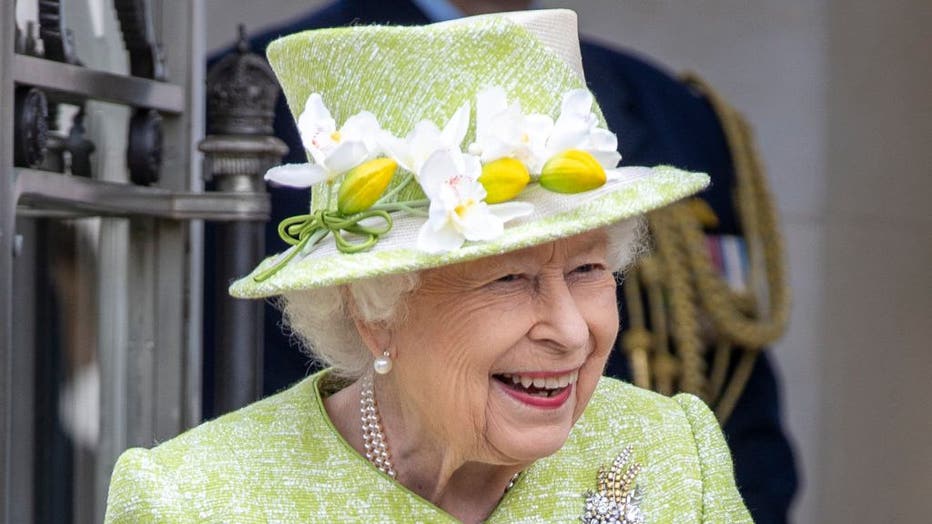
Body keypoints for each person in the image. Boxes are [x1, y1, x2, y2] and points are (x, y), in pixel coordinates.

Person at [107, 10, 751, 522]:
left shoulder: (669, 454)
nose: (572, 331)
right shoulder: (196, 504)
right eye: (510, 279)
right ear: (372, 309)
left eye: (586, 271)